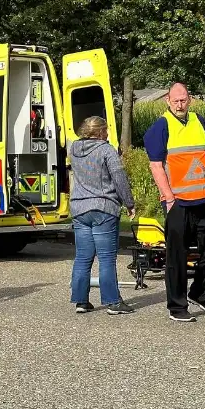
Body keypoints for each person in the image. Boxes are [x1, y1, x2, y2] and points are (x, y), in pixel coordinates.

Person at [144, 83, 205, 322]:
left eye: (184, 100)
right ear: (167, 101)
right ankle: (177, 307)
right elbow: (156, 166)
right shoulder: (161, 127)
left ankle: (199, 293)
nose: (180, 104)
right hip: (178, 201)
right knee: (177, 257)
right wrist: (168, 198)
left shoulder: (199, 122)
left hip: (203, 199)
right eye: (175, 100)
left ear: (189, 100)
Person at [68, 116, 136, 315]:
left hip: (80, 208)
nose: (107, 133)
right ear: (99, 132)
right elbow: (119, 177)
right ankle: (113, 302)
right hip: (103, 207)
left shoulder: (74, 149)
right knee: (106, 258)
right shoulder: (106, 149)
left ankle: (81, 300)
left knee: (82, 257)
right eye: (105, 130)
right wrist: (129, 203)